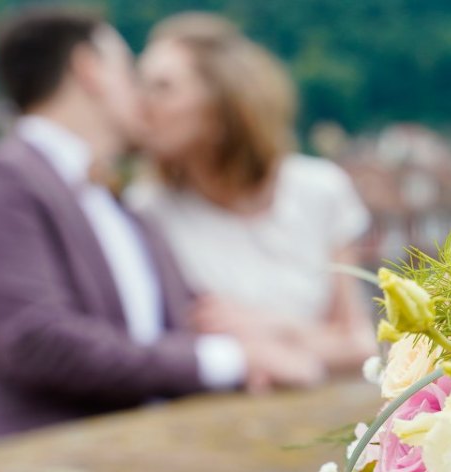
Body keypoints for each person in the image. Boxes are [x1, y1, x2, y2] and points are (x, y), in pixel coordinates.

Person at [0, 8, 320, 449]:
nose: (140, 95)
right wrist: (230, 359)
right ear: (88, 69)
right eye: (129, 72)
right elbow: (35, 340)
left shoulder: (125, 207)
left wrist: (269, 338)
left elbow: (186, 323)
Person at [129, 13, 376, 375]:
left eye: (163, 87)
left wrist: (272, 328)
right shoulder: (147, 210)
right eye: (140, 85)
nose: (141, 105)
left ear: (220, 105)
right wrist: (308, 345)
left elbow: (360, 346)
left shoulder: (321, 190)